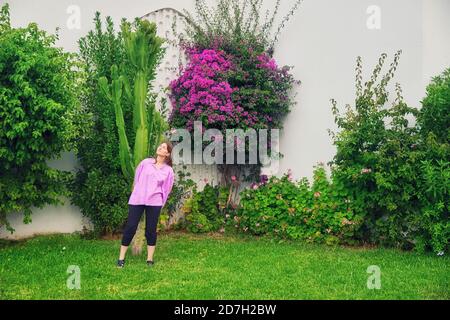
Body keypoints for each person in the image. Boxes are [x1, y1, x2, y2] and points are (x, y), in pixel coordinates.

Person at [117, 142, 174, 268]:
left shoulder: (168, 170)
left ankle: (149, 259)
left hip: (155, 202)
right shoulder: (146, 163)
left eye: (164, 147)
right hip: (137, 199)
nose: (161, 147)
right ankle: (121, 258)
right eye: (160, 146)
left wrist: (161, 203)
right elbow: (136, 179)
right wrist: (135, 193)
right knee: (130, 227)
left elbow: (167, 189)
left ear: (167, 154)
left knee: (150, 230)